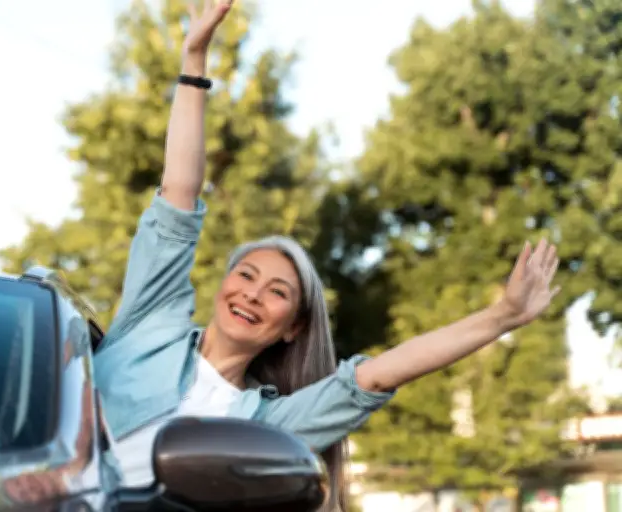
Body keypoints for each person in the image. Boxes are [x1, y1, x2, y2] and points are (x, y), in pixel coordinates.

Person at [92, 1, 561, 510]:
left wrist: (503, 316)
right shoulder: (149, 326)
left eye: (277, 293)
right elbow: (180, 193)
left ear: (292, 327)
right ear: (223, 285)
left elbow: (381, 375)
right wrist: (195, 57)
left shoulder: (268, 426)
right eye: (246, 275)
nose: (253, 293)